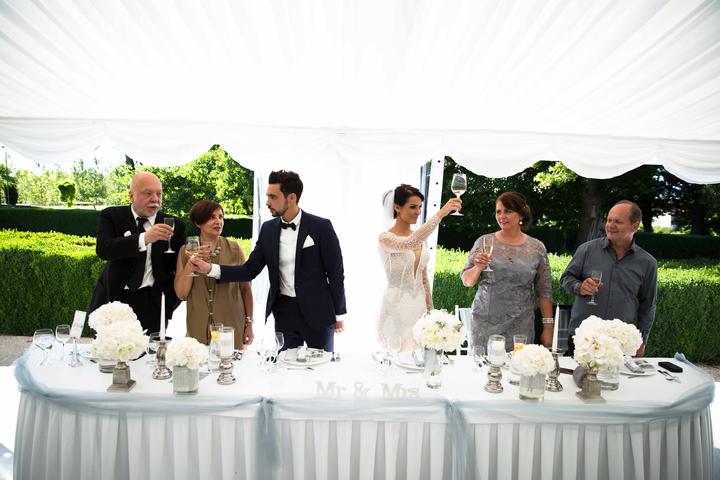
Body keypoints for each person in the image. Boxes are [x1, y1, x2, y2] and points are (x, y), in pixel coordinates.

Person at [190, 170, 346, 352]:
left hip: (318, 313)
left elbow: (335, 274)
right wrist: (210, 269)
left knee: (321, 364)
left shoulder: (321, 227)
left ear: (291, 198)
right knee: (285, 366)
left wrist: (339, 314)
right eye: (267, 196)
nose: (267, 202)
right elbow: (249, 270)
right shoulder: (268, 229)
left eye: (273, 197)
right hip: (285, 314)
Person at [89, 172, 186, 332]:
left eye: (159, 194)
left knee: (152, 348)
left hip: (154, 305)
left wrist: (170, 303)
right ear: (131, 196)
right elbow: (104, 250)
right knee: (111, 346)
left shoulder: (175, 225)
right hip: (115, 301)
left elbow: (181, 267)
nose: (155, 199)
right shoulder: (112, 216)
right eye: (148, 193)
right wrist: (144, 238)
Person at [560, 200, 657, 357]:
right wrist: (579, 287)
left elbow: (648, 306)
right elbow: (566, 279)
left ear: (634, 226)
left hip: (618, 344)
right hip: (582, 339)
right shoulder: (586, 250)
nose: (610, 225)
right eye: (609, 220)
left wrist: (642, 340)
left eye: (618, 221)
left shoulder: (647, 263)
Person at [461, 192, 553, 349]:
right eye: (498, 211)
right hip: (485, 323)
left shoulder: (537, 247)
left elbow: (544, 291)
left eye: (508, 211)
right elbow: (467, 281)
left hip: (521, 324)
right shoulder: (484, 242)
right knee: (483, 364)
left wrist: (548, 328)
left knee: (518, 363)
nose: (502, 216)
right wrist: (478, 267)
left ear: (521, 214)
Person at [378, 185, 462, 351]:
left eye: (420, 207)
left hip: (419, 306)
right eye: (412, 207)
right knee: (396, 354)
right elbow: (409, 243)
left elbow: (424, 279)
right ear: (397, 207)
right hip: (396, 306)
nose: (418, 212)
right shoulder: (385, 238)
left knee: (419, 356)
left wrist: (431, 312)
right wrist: (440, 214)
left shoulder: (421, 239)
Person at [174, 200, 254, 349]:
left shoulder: (235, 249)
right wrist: (191, 264)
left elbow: (245, 289)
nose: (218, 221)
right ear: (198, 223)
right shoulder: (185, 251)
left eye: (221, 217)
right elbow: (181, 294)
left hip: (231, 326)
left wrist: (249, 323)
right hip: (197, 327)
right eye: (212, 217)